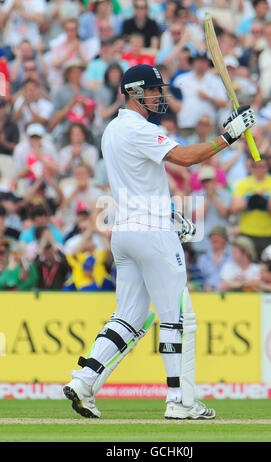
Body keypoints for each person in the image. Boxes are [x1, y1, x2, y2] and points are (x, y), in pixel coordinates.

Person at [63, 63, 255, 419]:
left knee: (129, 316)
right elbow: (183, 158)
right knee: (178, 317)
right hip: (151, 233)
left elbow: (142, 181)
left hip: (125, 231)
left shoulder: (112, 129)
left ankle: (85, 380)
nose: (159, 95)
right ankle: (180, 402)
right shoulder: (138, 128)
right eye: (153, 90)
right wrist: (228, 137)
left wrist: (167, 210)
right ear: (134, 92)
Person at [231, 155, 271, 259]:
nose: (259, 169)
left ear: (268, 167)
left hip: (269, 235)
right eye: (256, 166)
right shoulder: (243, 184)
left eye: (263, 166)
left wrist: (264, 200)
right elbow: (234, 208)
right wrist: (252, 198)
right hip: (247, 234)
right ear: (251, 167)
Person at [197, 225, 232, 291]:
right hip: (207, 294)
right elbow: (199, 278)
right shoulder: (203, 258)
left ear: (225, 239)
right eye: (212, 237)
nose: (214, 238)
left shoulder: (232, 256)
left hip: (228, 294)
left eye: (217, 236)